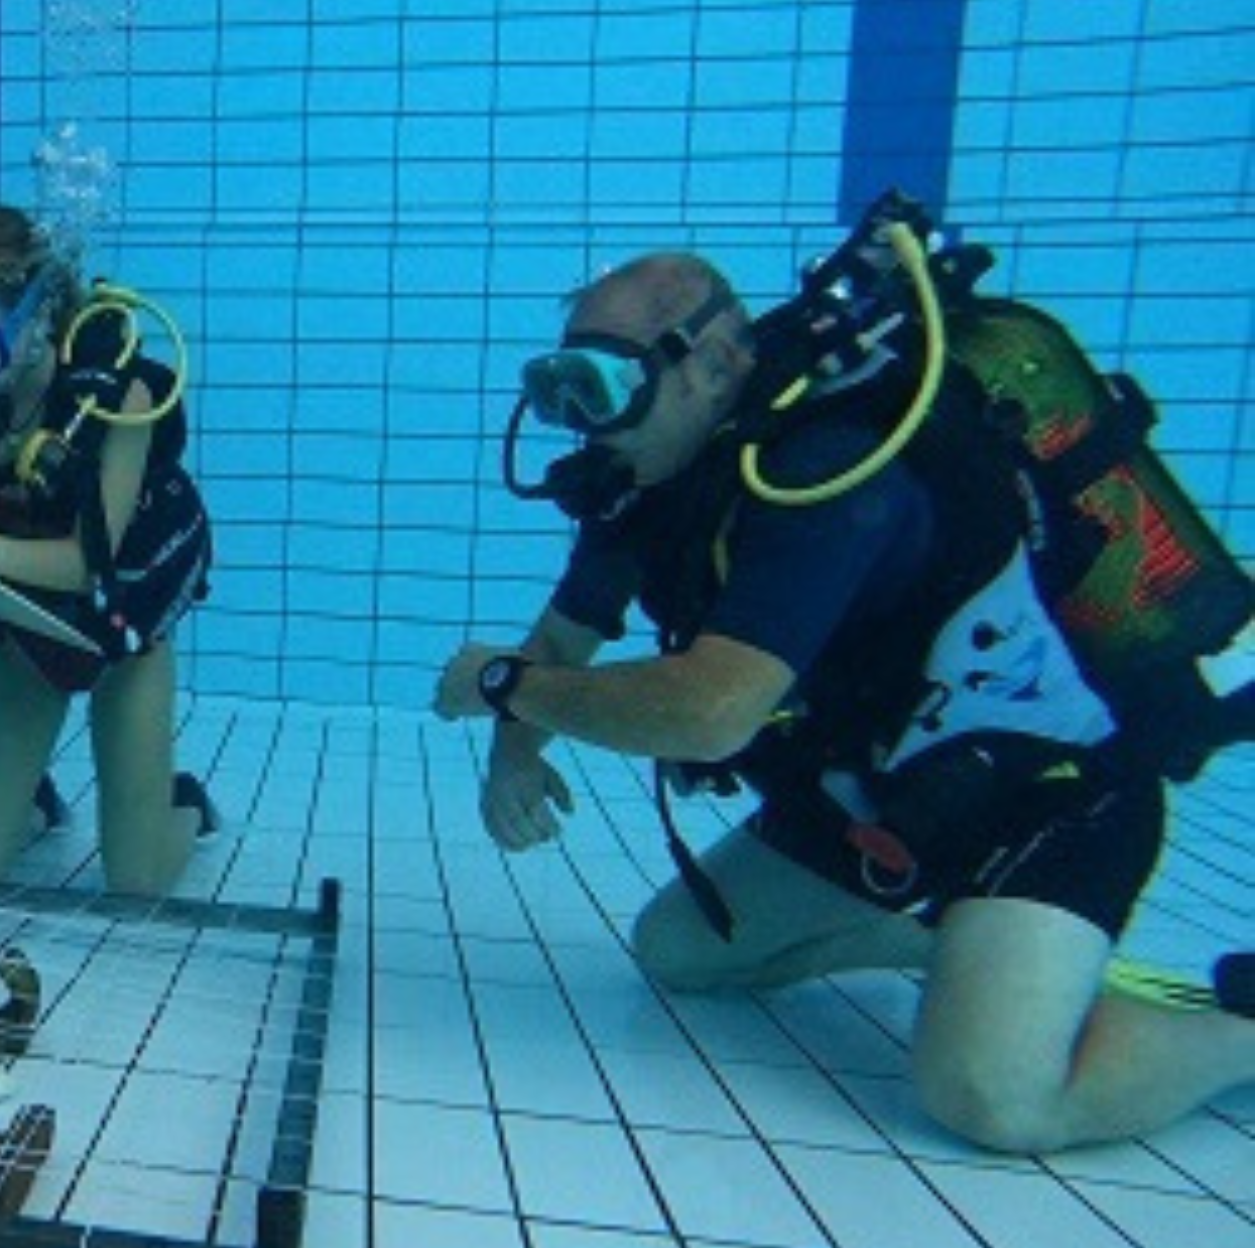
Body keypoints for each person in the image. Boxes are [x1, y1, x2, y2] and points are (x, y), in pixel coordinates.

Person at [430, 249, 1254, 1153]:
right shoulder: (649, 485)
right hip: (877, 802)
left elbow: (712, 710)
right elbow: (559, 644)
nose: (584, 426)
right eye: (557, 392)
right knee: (680, 950)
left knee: (994, 1098)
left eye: (602, 386)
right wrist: (517, 748)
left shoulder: (826, 474)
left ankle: (1238, 1038)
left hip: (1048, 796)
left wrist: (506, 687)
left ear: (713, 367)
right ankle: (958, 947)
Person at [0, 203, 214, 894]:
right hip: (27, 625)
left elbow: (92, 562)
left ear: (35, 324)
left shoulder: (119, 395)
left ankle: (183, 807)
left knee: (135, 883)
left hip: (122, 628)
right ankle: (37, 799)